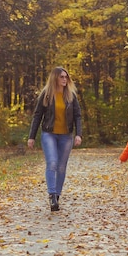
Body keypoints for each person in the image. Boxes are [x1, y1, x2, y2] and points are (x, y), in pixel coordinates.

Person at [28, 67, 82, 211]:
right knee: (52, 163)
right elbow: (37, 115)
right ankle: (52, 195)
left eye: (66, 77)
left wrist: (78, 134)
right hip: (49, 134)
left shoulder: (71, 95)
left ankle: (57, 195)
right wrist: (31, 137)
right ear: (55, 78)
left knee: (61, 167)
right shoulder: (46, 94)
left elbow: (77, 115)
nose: (65, 79)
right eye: (61, 77)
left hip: (66, 136)